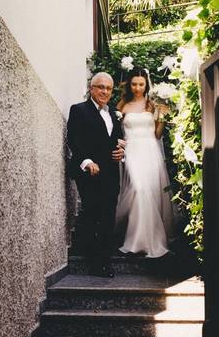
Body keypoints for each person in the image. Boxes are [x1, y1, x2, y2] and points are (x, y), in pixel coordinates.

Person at [67, 72, 125, 277]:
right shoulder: (79, 110)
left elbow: (117, 139)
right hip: (89, 172)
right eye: (100, 87)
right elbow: (73, 139)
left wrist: (121, 152)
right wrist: (87, 161)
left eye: (108, 88)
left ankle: (105, 261)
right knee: (92, 213)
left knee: (108, 215)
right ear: (91, 88)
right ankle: (93, 262)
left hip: (110, 172)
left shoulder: (115, 113)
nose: (105, 92)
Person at [115, 67, 175, 258]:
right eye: (134, 84)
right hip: (132, 151)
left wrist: (163, 115)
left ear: (146, 84)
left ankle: (151, 241)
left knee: (149, 192)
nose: (137, 88)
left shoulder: (152, 105)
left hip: (150, 151)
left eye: (141, 84)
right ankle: (135, 240)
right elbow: (114, 132)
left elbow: (157, 134)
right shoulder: (121, 105)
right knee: (139, 189)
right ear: (129, 84)